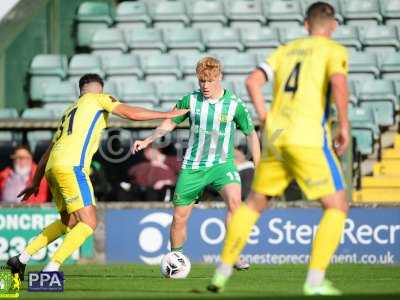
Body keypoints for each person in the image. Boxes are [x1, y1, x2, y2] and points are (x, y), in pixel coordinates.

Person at [208, 2, 350, 295]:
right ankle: (314, 281)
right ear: (333, 25)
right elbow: (338, 84)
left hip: (276, 136)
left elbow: (252, 81)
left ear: (306, 23)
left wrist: (264, 116)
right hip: (309, 137)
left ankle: (221, 272)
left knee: (253, 205)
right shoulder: (334, 51)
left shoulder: (285, 50)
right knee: (337, 206)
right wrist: (344, 125)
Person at [6, 73, 188, 280]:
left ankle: (20, 258)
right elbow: (131, 113)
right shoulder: (99, 99)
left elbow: (48, 152)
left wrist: (36, 182)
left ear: (80, 90)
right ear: (99, 89)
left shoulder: (69, 112)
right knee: (89, 222)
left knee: (69, 223)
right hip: (72, 167)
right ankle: (51, 269)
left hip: (52, 168)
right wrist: (166, 114)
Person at [133, 57, 261, 270]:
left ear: (219, 78)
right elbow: (168, 124)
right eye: (202, 81)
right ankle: (176, 259)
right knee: (179, 218)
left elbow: (251, 134)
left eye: (210, 81)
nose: (205, 85)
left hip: (223, 165)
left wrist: (259, 164)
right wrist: (147, 140)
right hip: (193, 167)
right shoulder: (189, 100)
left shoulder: (235, 105)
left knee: (235, 204)